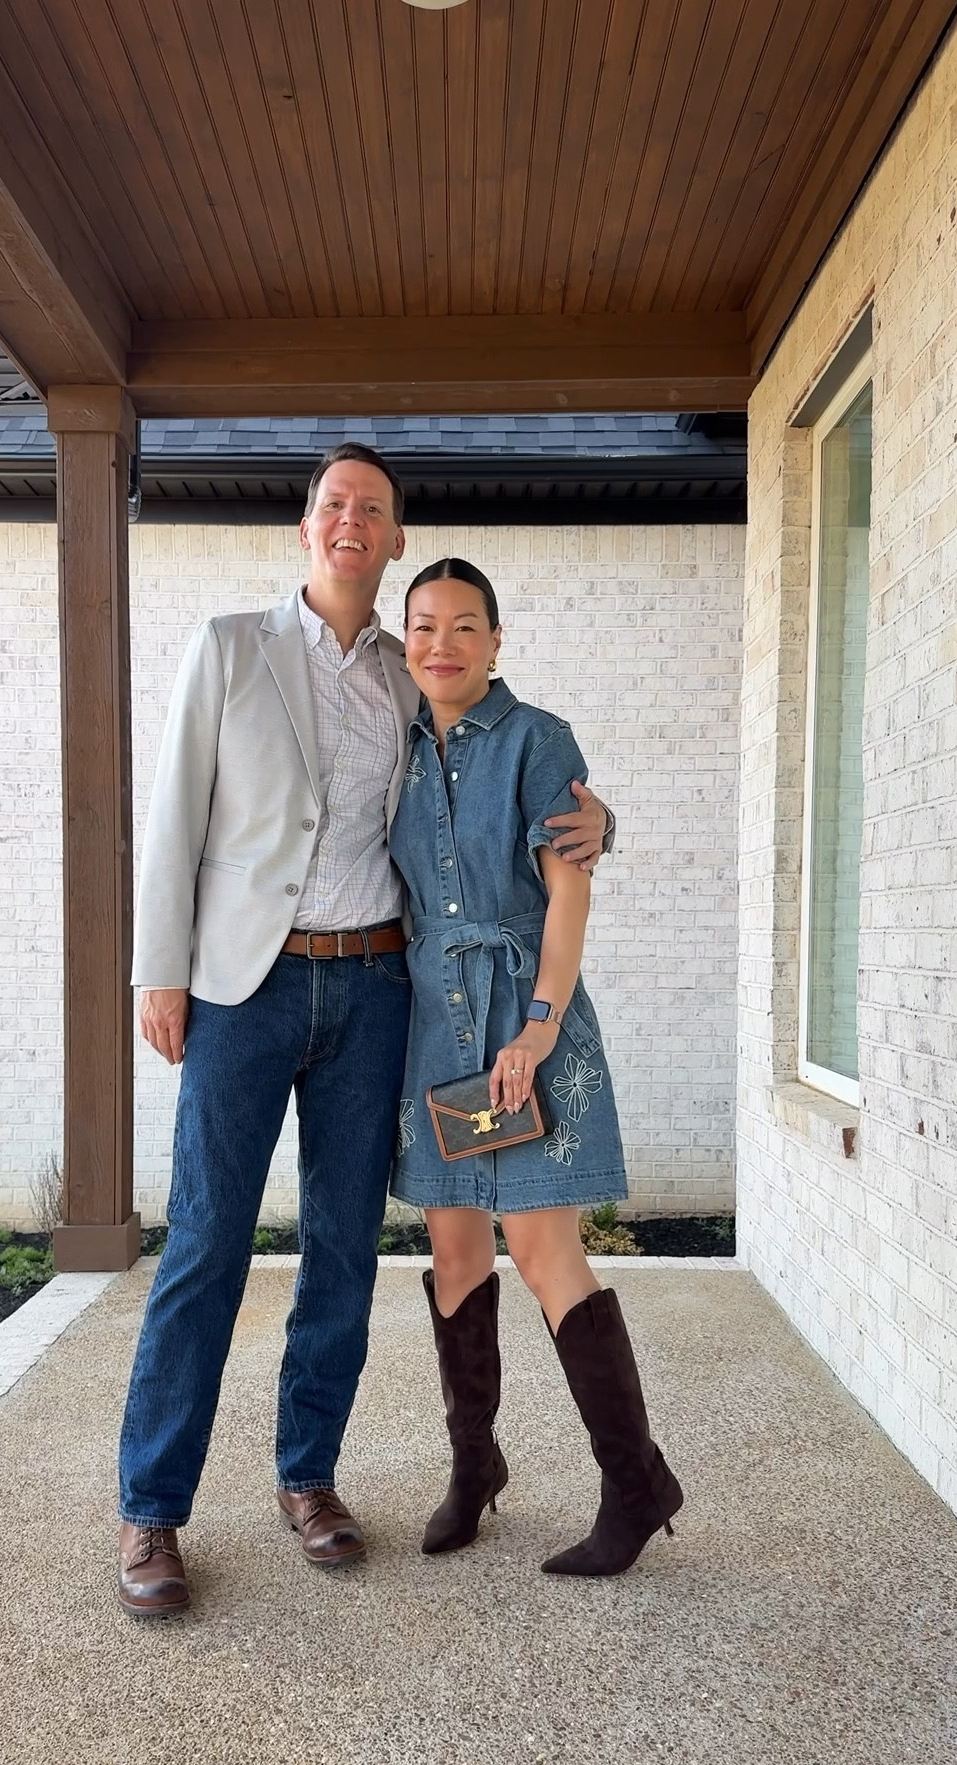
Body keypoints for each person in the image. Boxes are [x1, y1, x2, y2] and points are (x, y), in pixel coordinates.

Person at [117, 446, 614, 1618]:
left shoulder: (414, 673)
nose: (353, 521)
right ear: (308, 528)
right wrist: (161, 970)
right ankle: (152, 1511)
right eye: (335, 504)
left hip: (378, 992)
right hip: (245, 991)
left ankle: (309, 1479)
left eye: (374, 511)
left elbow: (499, 776)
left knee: (343, 1247)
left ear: (393, 544)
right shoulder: (230, 646)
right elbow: (170, 815)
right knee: (205, 1247)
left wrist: (598, 818)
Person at [388, 557, 682, 1577]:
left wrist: (542, 1023)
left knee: (548, 1253)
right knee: (458, 1254)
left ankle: (635, 1487)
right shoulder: (401, 747)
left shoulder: (536, 738)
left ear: (497, 640)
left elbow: (569, 891)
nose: (441, 645)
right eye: (423, 626)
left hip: (520, 1024)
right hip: (439, 1033)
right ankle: (476, 1468)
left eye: (465, 626)